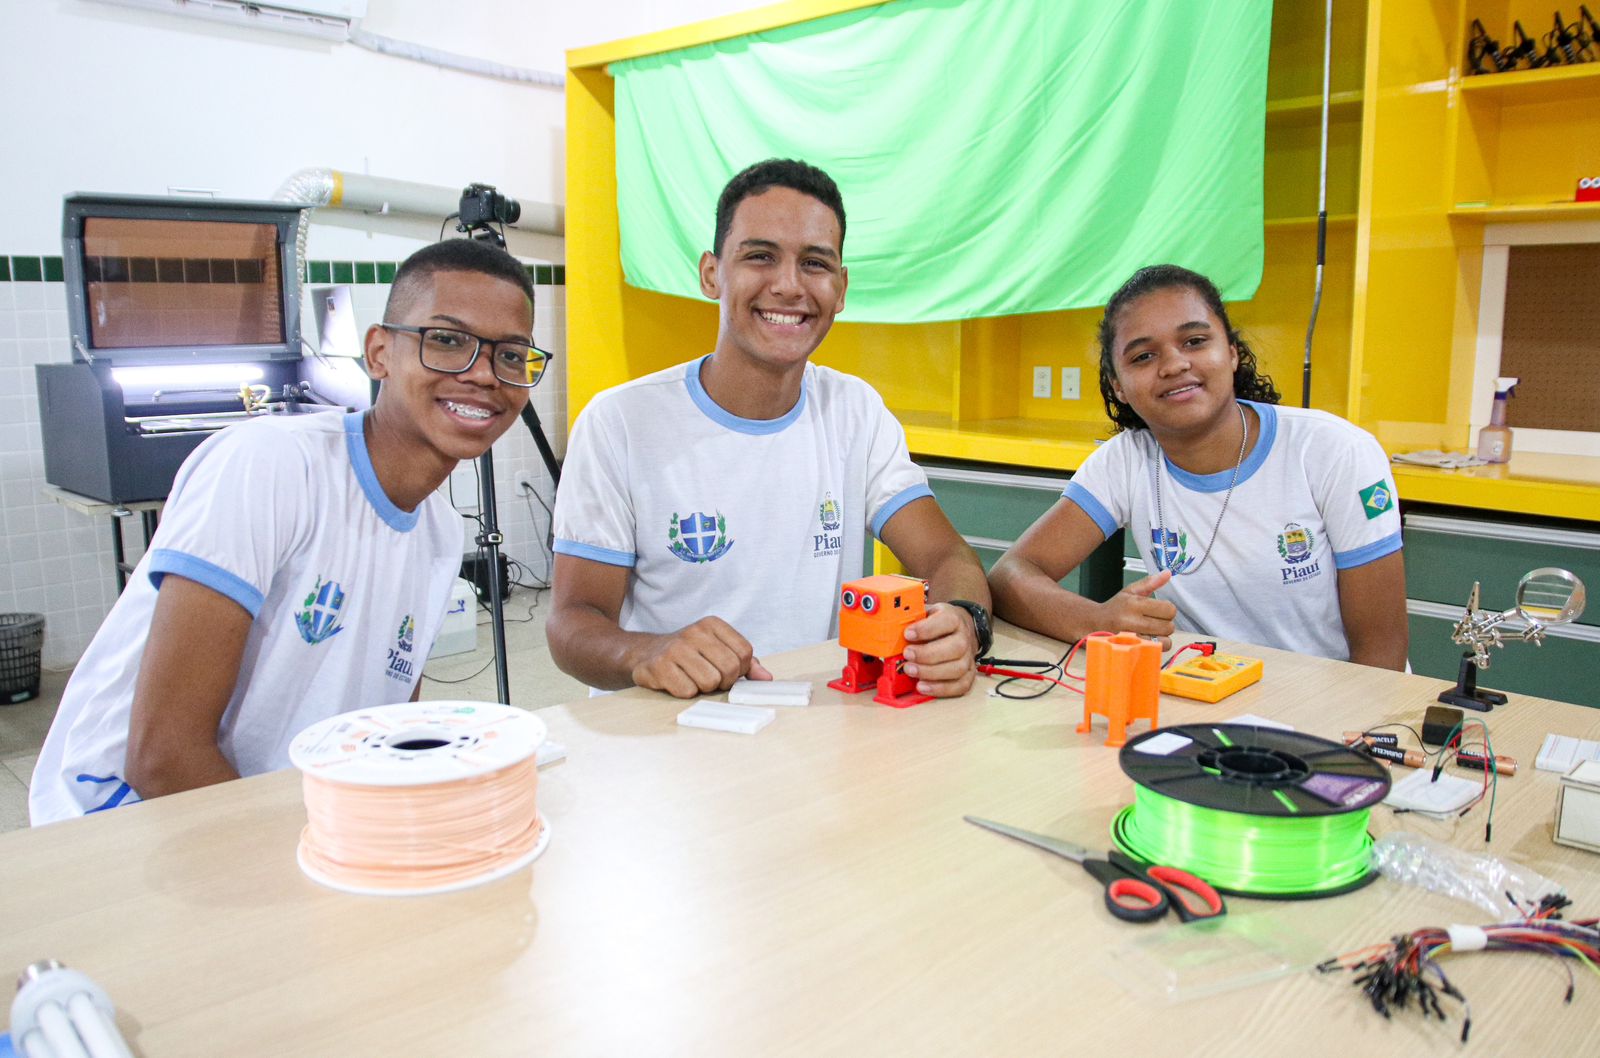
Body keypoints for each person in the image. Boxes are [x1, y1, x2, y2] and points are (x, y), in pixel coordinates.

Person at [30, 239, 545, 824]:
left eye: (510, 355)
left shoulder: (440, 533)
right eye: (447, 341)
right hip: (122, 821)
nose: (482, 375)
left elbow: (383, 734)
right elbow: (164, 758)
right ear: (380, 352)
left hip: (276, 816)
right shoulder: (269, 465)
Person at [548, 158, 992, 698]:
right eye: (760, 256)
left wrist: (965, 623)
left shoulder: (856, 411)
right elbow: (572, 623)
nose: (788, 286)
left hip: (811, 730)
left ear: (841, 287)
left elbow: (948, 558)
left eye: (814, 263)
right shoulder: (619, 422)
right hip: (668, 742)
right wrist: (647, 651)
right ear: (712, 273)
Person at [989, 264, 1407, 669]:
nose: (1173, 365)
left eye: (1194, 341)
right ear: (1119, 385)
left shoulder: (1333, 451)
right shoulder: (1127, 460)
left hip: (1332, 712)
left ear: (1231, 353)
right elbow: (1011, 575)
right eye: (1143, 356)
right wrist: (1096, 621)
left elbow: (1381, 653)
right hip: (1205, 701)